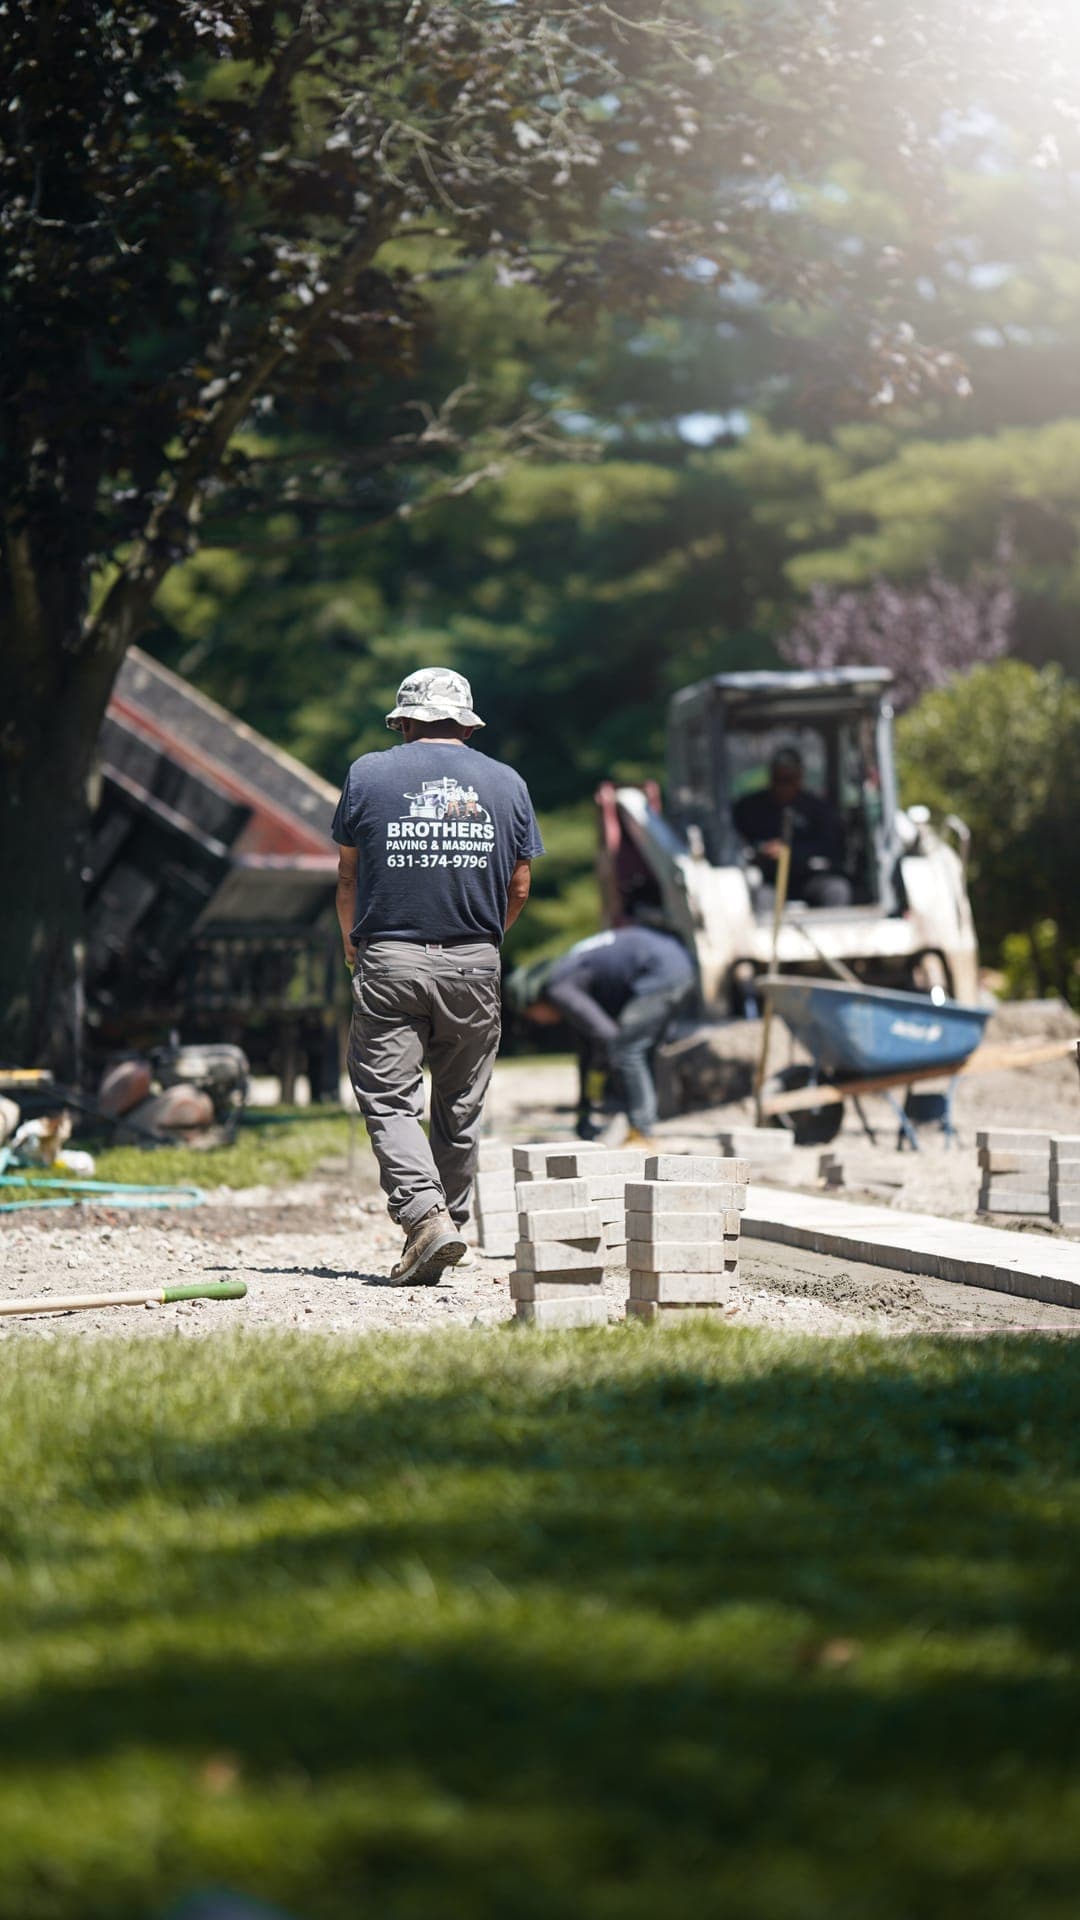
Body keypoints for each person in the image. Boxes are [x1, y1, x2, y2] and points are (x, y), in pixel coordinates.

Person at [332, 667, 543, 1286]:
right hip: (476, 960)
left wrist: (353, 947)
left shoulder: (367, 774)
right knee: (460, 1105)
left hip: (390, 958)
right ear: (466, 723)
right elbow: (522, 884)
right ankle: (445, 1221)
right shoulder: (507, 783)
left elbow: (347, 876)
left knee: (390, 1098)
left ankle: (427, 1221)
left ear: (404, 721)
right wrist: (485, 941)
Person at [512, 925, 696, 1144]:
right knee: (636, 1051)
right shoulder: (567, 973)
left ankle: (641, 1132)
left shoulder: (560, 989)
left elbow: (607, 1036)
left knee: (627, 1050)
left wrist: (603, 1081)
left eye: (532, 1015)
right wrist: (583, 1114)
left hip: (661, 972)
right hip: (674, 964)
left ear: (533, 1001)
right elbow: (587, 1052)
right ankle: (641, 1121)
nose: (538, 1022)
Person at [733, 745, 852, 907]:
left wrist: (790, 851)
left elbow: (830, 846)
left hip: (809, 876)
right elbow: (737, 843)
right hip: (769, 879)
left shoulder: (817, 809)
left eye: (788, 780)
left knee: (837, 890)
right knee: (760, 899)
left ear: (799, 778)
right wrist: (761, 850)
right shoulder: (749, 808)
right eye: (778, 780)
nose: (783, 786)